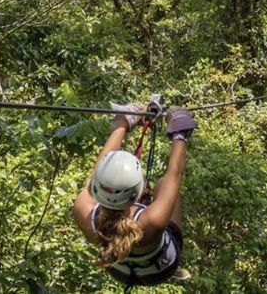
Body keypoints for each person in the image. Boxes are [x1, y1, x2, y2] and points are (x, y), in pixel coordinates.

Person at [72, 104, 197, 288]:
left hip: (118, 269)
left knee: (165, 188)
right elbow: (174, 174)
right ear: (138, 192)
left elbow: (98, 173)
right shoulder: (151, 221)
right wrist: (179, 132)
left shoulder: (82, 210)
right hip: (161, 269)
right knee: (163, 185)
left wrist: (123, 123)